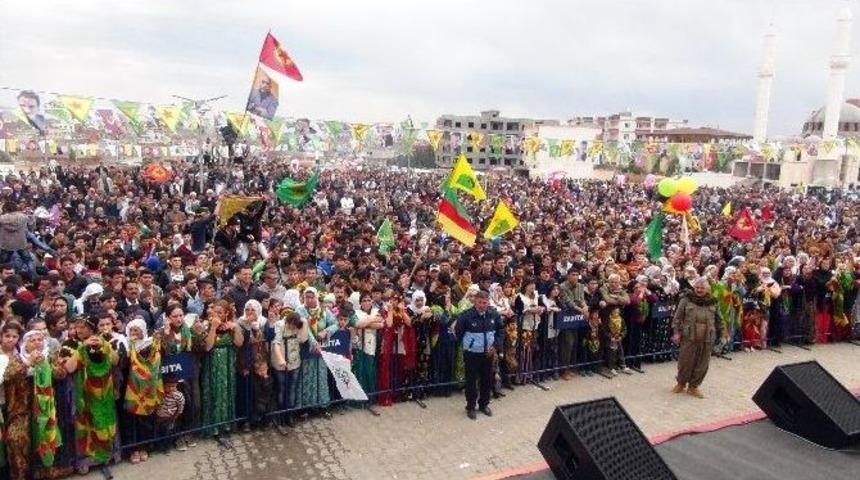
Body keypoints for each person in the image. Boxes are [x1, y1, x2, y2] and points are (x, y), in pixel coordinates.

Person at [455, 290, 503, 420]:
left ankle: (483, 404)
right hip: (471, 354)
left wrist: (495, 346)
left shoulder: (493, 314)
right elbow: (458, 333)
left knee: (486, 380)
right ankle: (470, 406)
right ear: (475, 301)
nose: (483, 305)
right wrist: (468, 346)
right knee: (471, 381)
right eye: (480, 302)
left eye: (485, 302)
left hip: (488, 353)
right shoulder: (466, 316)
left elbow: (500, 331)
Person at [671, 277, 721, 399]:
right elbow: (677, 318)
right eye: (697, 287)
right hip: (689, 336)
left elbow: (719, 320)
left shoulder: (713, 301)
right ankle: (681, 383)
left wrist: (724, 333)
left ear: (707, 289)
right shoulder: (686, 300)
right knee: (685, 361)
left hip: (707, 337)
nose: (699, 290)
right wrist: (676, 333)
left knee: (702, 364)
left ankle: (693, 387)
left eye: (702, 288)